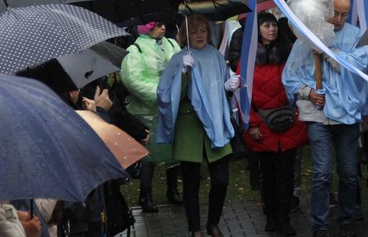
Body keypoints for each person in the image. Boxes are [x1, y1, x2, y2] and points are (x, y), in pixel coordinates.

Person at [282, 0, 368, 237]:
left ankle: (347, 217)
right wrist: (309, 92)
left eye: (344, 14)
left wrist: (331, 53)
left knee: (349, 173)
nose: (340, 19)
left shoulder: (355, 35)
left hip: (347, 115)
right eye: (336, 13)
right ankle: (319, 224)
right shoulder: (307, 36)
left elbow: (360, 65)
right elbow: (290, 76)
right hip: (319, 117)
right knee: (321, 173)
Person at [156, 14, 239, 237]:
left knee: (221, 179)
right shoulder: (178, 59)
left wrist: (229, 87)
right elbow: (165, 96)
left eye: (203, 30)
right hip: (190, 126)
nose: (199, 35)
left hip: (215, 124)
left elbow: (220, 92)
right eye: (193, 31)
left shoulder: (216, 56)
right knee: (191, 182)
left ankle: (213, 222)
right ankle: (195, 229)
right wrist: (183, 73)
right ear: (185, 34)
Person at [241, 12, 307, 236]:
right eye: (266, 26)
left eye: (274, 25)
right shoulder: (248, 60)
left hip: (288, 122)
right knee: (267, 175)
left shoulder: (290, 55)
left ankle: (284, 217)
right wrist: (252, 123)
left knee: (286, 174)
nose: (272, 29)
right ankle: (270, 216)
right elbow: (243, 94)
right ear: (258, 30)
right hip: (262, 124)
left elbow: (299, 81)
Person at [121, 18, 183, 213]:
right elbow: (133, 79)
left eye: (163, 24)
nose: (163, 27)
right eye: (157, 25)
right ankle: (145, 194)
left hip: (171, 109)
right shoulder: (135, 50)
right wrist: (162, 93)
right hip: (148, 111)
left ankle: (172, 190)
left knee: (173, 153)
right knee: (149, 157)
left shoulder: (172, 44)